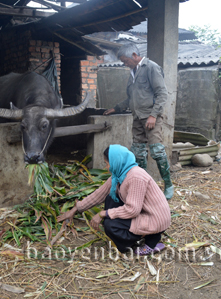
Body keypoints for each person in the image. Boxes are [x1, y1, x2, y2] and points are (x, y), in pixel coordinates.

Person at [57, 144, 171, 255]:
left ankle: (150, 239)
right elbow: (99, 195)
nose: (107, 168)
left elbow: (133, 210)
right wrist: (75, 209)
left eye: (107, 164)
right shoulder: (119, 175)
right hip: (143, 212)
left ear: (116, 162)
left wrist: (104, 213)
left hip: (154, 218)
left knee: (111, 226)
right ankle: (143, 234)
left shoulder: (136, 176)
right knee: (110, 198)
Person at [103, 42, 174, 200]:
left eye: (125, 60)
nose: (125, 63)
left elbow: (162, 94)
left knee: (157, 151)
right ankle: (142, 184)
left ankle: (168, 185)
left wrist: (154, 115)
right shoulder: (133, 72)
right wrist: (117, 108)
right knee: (138, 154)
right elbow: (131, 98)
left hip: (150, 118)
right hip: (138, 118)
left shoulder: (151, 68)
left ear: (134, 55)